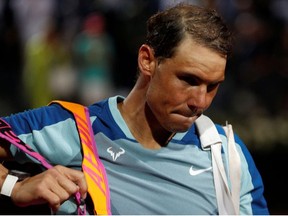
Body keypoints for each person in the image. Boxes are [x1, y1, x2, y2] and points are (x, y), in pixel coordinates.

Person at [0, 3, 269, 215]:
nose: (200, 102)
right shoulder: (73, 128)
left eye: (213, 86)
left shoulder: (228, 155)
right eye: (189, 80)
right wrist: (16, 186)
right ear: (147, 60)